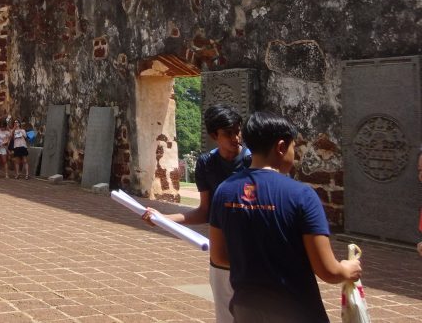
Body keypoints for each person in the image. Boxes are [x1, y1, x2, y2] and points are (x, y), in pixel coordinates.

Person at [209, 111, 361, 322]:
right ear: (281, 147)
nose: (294, 154)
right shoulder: (302, 196)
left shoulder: (224, 191)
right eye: (293, 147)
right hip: (295, 310)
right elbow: (328, 270)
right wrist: (347, 269)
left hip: (247, 309)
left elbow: (219, 256)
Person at [142, 105, 251, 323]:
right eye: (228, 133)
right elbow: (204, 212)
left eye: (238, 131)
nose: (236, 137)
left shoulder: (253, 160)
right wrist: (162, 219)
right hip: (222, 250)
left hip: (253, 249)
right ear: (214, 136)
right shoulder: (206, 164)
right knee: (226, 314)